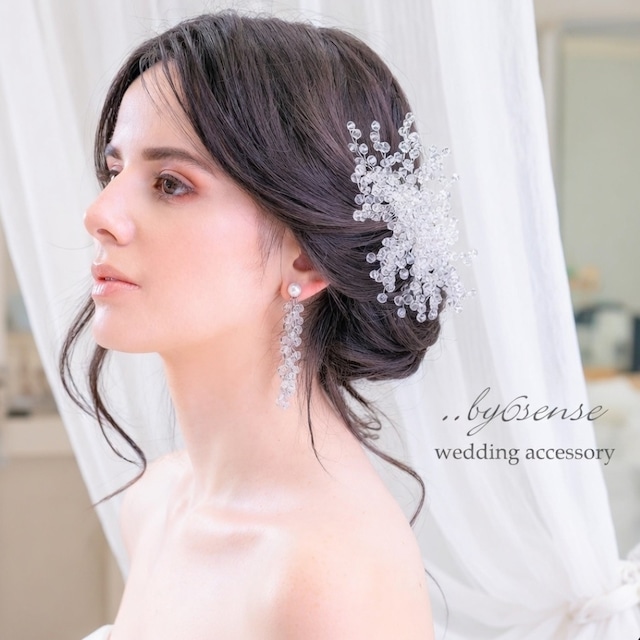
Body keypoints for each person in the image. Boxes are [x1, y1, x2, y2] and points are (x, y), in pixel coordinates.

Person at [61, 11, 468, 640]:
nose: (100, 213)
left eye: (169, 183)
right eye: (115, 172)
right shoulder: (155, 503)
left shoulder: (331, 578)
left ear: (307, 257)